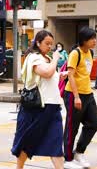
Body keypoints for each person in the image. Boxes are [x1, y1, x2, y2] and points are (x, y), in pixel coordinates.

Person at [11, 30, 67, 169]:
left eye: (51, 44)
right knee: (27, 142)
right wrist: (55, 59)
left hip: (53, 107)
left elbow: (50, 77)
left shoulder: (46, 58)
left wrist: (60, 75)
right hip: (38, 108)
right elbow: (47, 73)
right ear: (38, 42)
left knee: (56, 143)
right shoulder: (34, 57)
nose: (50, 47)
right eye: (47, 44)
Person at [63, 27, 97, 169]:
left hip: (88, 94)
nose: (95, 41)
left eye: (95, 38)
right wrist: (76, 97)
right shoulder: (75, 53)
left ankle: (79, 151)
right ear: (84, 40)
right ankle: (67, 159)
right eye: (92, 38)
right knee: (72, 127)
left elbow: (85, 74)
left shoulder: (89, 52)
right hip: (74, 94)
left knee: (94, 123)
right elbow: (70, 75)